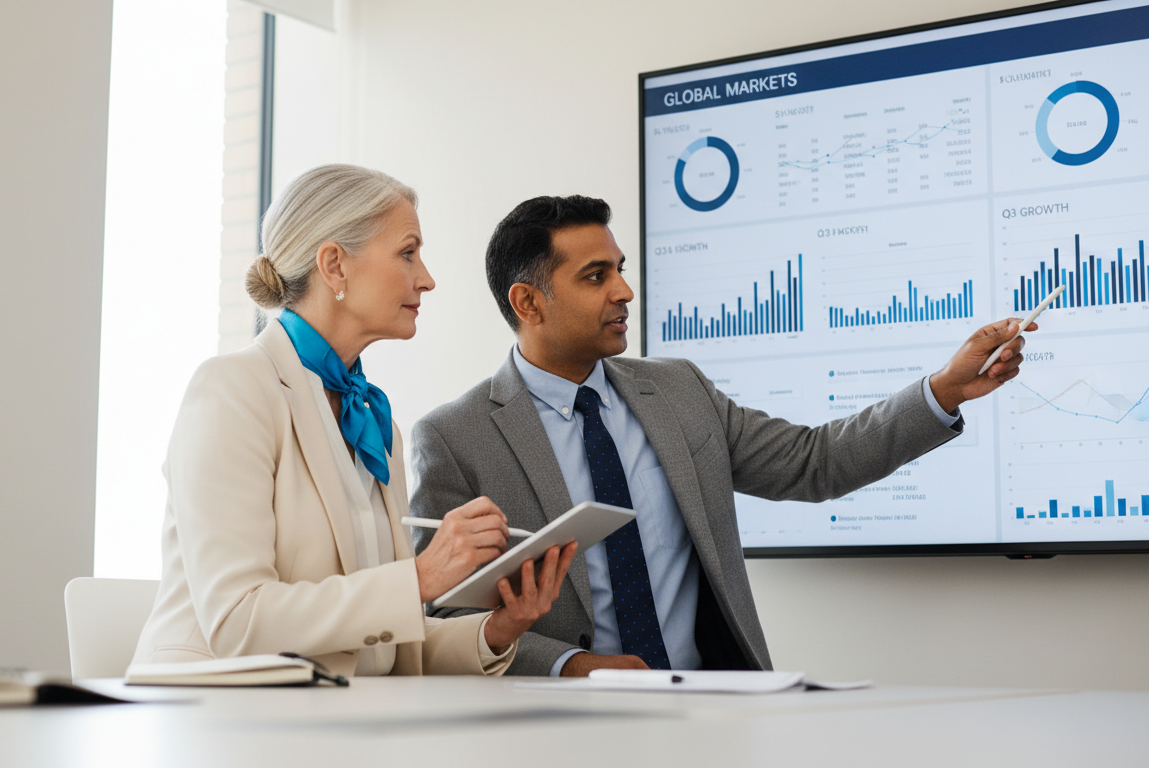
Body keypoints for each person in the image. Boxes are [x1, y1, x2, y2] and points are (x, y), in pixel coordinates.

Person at [410, 195, 1031, 677]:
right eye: (596, 276)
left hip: (710, 707)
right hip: (551, 727)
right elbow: (446, 617)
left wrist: (944, 389)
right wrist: (569, 665)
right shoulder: (456, 436)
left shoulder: (678, 390)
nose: (625, 290)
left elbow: (814, 463)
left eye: (620, 270)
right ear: (528, 301)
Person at [131, 166, 577, 677]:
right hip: (214, 715)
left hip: (332, 715)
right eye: (408, 252)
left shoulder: (371, 416)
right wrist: (419, 578)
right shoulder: (232, 390)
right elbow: (239, 621)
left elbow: (377, 642)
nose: (426, 278)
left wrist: (497, 628)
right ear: (335, 266)